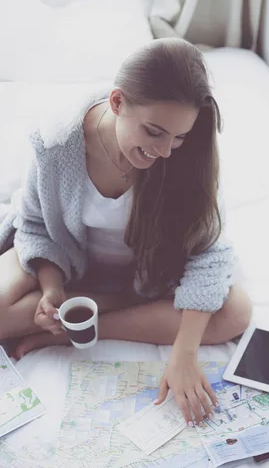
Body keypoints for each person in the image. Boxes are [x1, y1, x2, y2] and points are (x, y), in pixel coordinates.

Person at [0, 37, 252, 425]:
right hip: (68, 259)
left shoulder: (187, 157)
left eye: (179, 136)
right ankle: (88, 307)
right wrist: (52, 289)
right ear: (117, 103)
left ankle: (72, 329)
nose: (166, 151)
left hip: (150, 275)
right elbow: (34, 225)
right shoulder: (54, 143)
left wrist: (184, 354)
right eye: (154, 132)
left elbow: (210, 254)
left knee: (235, 312)